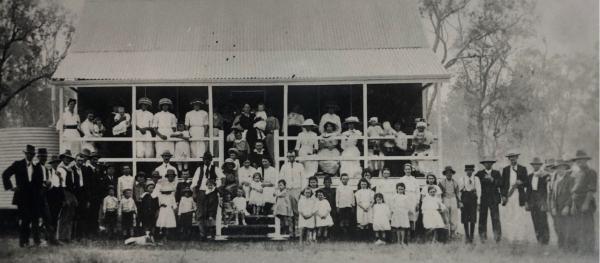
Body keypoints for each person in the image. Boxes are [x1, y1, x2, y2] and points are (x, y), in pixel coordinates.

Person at [2, 145, 45, 247]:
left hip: (33, 198)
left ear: (34, 155)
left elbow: (39, 184)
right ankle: (23, 243)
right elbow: (5, 174)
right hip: (22, 197)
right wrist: (11, 187)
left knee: (34, 219)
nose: (30, 155)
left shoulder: (35, 167)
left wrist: (40, 195)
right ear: (25, 154)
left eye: (32, 154)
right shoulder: (18, 164)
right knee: (25, 220)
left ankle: (36, 242)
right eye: (28, 153)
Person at [500, 150, 532, 242]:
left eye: (514, 157)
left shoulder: (523, 168)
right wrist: (503, 196)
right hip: (509, 196)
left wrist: (521, 182)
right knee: (510, 216)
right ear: (509, 159)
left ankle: (520, 237)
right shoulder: (505, 170)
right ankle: (511, 237)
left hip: (519, 195)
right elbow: (503, 185)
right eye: (511, 158)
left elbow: (527, 183)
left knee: (519, 216)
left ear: (517, 158)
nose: (512, 159)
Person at [569, 150, 597, 253]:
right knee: (578, 226)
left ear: (586, 160)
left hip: (587, 202)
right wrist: (572, 205)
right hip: (576, 202)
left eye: (582, 160)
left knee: (587, 226)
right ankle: (582, 248)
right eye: (577, 161)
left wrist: (586, 203)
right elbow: (573, 192)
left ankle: (589, 250)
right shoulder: (577, 173)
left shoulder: (591, 172)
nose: (579, 162)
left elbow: (591, 189)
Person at [548, 159, 575, 250]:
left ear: (566, 169)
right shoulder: (555, 181)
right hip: (557, 208)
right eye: (558, 168)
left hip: (566, 209)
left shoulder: (570, 179)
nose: (560, 170)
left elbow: (572, 194)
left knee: (568, 228)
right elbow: (553, 195)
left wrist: (567, 206)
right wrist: (553, 207)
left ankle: (569, 248)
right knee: (558, 228)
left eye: (562, 168)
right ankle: (561, 247)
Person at [475, 157, 503, 243]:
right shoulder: (479, 174)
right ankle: (483, 237)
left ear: (492, 164)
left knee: (495, 218)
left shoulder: (496, 173)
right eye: (486, 163)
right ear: (483, 164)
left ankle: (497, 237)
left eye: (490, 163)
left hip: (494, 199)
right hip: (483, 199)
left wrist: (493, 180)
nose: (488, 164)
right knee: (482, 218)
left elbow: (501, 183)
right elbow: (475, 184)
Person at [525, 157, 550, 245]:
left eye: (537, 165)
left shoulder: (545, 175)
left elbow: (547, 190)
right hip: (532, 201)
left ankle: (545, 240)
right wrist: (526, 202)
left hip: (541, 201)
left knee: (543, 220)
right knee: (535, 220)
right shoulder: (529, 176)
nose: (536, 166)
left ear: (540, 165)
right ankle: (539, 239)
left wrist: (544, 202)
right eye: (534, 165)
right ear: (532, 166)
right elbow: (528, 190)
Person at [458, 164, 481, 244]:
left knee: (472, 219)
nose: (469, 172)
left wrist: (478, 203)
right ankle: (467, 236)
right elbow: (459, 192)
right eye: (467, 170)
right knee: (465, 219)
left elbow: (479, 191)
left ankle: (471, 237)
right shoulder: (462, 179)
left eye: (470, 170)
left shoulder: (476, 179)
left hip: (473, 200)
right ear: (465, 171)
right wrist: (460, 202)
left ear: (473, 171)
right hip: (465, 199)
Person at [438, 166, 461, 239]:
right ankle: (446, 234)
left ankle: (453, 233)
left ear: (452, 173)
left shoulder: (455, 183)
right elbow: (440, 194)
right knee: (445, 217)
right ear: (445, 174)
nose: (449, 174)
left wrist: (459, 202)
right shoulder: (441, 183)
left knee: (454, 217)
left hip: (453, 199)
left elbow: (458, 193)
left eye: (450, 172)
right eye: (447, 173)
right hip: (445, 199)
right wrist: (440, 203)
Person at [399, 163, 419, 233]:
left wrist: (417, 202)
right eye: (406, 169)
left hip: (413, 198)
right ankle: (406, 234)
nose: (408, 171)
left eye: (409, 169)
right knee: (405, 216)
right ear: (404, 170)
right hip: (405, 198)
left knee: (413, 217)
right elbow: (399, 191)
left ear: (411, 170)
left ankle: (412, 234)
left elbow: (417, 192)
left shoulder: (414, 180)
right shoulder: (401, 179)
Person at [335, 173, 355, 239]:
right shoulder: (338, 188)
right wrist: (337, 206)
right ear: (341, 180)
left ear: (348, 180)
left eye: (346, 179)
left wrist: (353, 205)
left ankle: (347, 235)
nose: (345, 180)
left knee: (347, 221)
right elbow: (337, 198)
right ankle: (342, 235)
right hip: (341, 207)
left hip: (348, 206)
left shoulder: (350, 188)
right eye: (343, 179)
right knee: (341, 221)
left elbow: (352, 197)